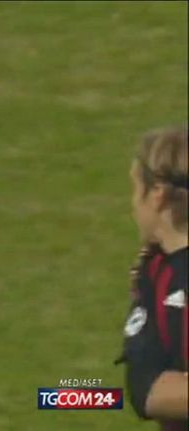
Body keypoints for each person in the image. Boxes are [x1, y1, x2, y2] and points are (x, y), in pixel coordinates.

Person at [118, 125, 188, 430]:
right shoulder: (154, 270)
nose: (134, 204)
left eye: (137, 190)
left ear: (157, 194)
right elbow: (145, 386)